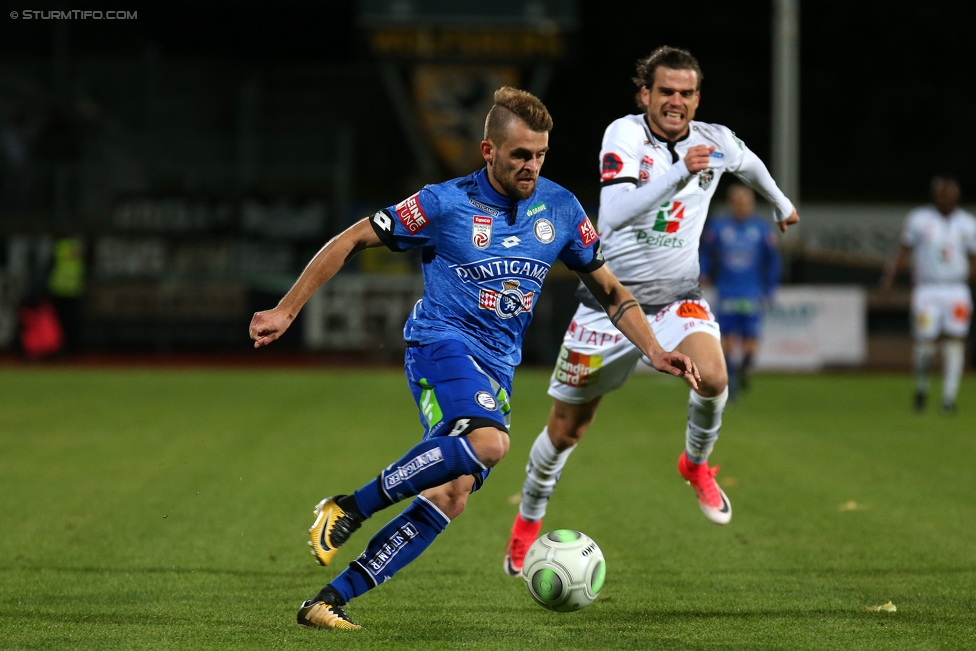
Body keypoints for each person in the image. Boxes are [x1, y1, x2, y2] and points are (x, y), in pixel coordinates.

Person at [248, 87, 700, 630]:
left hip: (497, 368)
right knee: (489, 442)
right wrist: (287, 308)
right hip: (440, 344)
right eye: (519, 155)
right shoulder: (443, 203)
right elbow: (351, 239)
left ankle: (327, 601)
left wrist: (655, 350)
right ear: (489, 152)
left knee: (452, 494)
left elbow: (608, 289)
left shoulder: (559, 208)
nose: (531, 166)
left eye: (540, 155)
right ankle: (349, 507)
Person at [503, 46, 800, 576]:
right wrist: (680, 173)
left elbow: (748, 160)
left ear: (697, 98)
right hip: (608, 304)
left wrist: (779, 201)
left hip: (676, 298)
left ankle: (696, 464)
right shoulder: (624, 136)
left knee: (713, 377)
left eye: (686, 93)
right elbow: (612, 215)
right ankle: (526, 523)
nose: (676, 102)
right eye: (666, 91)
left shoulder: (715, 140)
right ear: (646, 94)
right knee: (566, 430)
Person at [881, 177, 976, 413]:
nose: (945, 199)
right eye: (941, 195)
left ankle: (948, 398)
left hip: (957, 289)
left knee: (955, 340)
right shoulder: (919, 219)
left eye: (949, 195)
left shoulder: (967, 223)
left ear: (956, 197)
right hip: (927, 289)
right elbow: (904, 250)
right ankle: (922, 387)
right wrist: (890, 279)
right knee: (925, 343)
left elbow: (973, 259)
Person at [700, 184, 782, 400]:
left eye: (744, 201)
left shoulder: (761, 229)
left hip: (751, 292)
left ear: (751, 204)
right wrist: (704, 272)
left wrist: (770, 288)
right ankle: (732, 381)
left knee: (750, 340)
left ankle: (743, 368)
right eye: (737, 201)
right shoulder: (718, 227)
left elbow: (772, 261)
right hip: (726, 291)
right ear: (730, 204)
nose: (741, 205)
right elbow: (705, 253)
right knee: (726, 338)